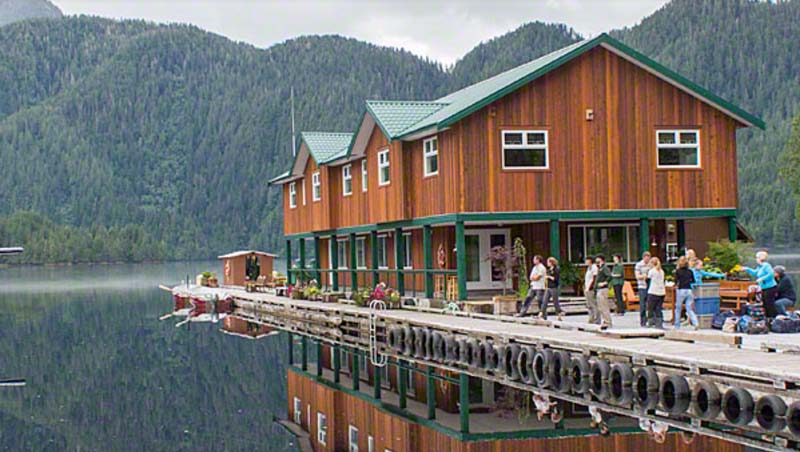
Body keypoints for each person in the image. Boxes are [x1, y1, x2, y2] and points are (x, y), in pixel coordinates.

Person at [742, 251, 779, 317]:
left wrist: (762, 278)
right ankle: (767, 319)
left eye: (757, 257)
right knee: (765, 304)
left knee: (769, 304)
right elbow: (755, 273)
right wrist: (746, 269)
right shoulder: (760, 267)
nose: (756, 259)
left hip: (770, 287)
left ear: (760, 258)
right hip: (764, 288)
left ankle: (773, 318)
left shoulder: (766, 265)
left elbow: (771, 274)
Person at [674, 256, 698, 329]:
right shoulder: (690, 271)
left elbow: (676, 281)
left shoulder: (678, 271)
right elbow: (693, 281)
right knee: (689, 308)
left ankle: (677, 325)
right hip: (689, 290)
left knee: (678, 308)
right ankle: (695, 323)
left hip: (681, 289)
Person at [594, 255, 614, 329]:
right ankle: (605, 321)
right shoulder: (599, 268)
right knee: (600, 307)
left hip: (603, 289)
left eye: (598, 259)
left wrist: (604, 283)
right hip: (599, 289)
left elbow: (609, 276)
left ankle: (608, 322)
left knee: (604, 306)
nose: (596, 261)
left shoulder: (605, 268)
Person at [646, 257, 666, 328]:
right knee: (658, 308)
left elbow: (648, 278)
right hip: (661, 292)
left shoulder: (652, 271)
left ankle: (650, 323)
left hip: (653, 291)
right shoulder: (662, 271)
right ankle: (659, 323)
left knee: (650, 308)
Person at [635, 252, 652, 327]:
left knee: (651, 304)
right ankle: (643, 321)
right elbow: (637, 276)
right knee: (642, 304)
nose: (647, 259)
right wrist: (644, 276)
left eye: (648, 257)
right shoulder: (639, 265)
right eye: (646, 257)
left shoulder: (651, 265)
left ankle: (651, 320)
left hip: (650, 287)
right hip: (642, 286)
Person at [584, 257, 599, 324]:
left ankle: (596, 319)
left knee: (593, 304)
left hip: (591, 288)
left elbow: (594, 278)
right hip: (587, 287)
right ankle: (591, 318)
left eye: (587, 260)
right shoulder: (588, 268)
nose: (586, 261)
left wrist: (591, 287)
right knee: (589, 304)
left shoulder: (594, 267)